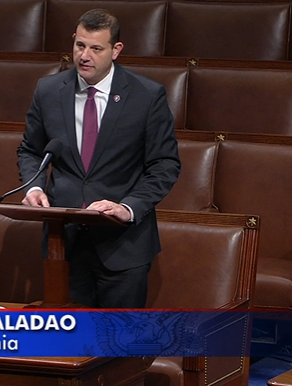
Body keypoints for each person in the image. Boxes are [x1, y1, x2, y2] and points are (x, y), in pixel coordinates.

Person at [17, 9, 180, 308]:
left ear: (116, 50)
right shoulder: (49, 90)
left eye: (96, 48)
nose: (84, 56)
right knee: (66, 348)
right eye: (80, 45)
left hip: (122, 245)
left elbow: (164, 164)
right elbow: (31, 150)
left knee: (118, 347)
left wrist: (128, 207)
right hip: (63, 243)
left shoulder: (146, 96)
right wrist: (35, 187)